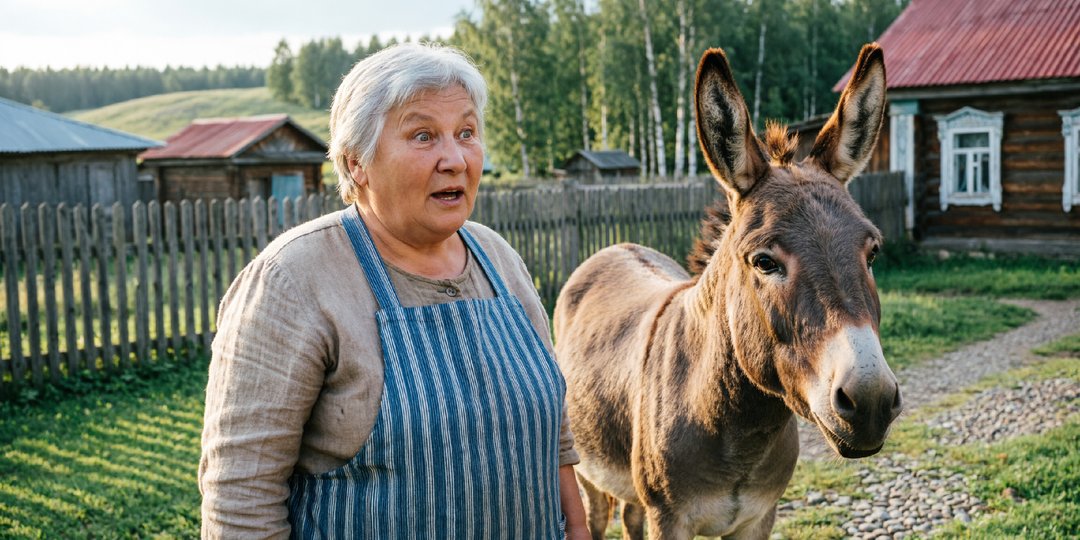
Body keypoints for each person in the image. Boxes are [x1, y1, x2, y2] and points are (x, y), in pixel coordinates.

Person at [199, 42, 589, 539]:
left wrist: (577, 529)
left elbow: (550, 437)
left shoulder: (498, 259)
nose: (455, 159)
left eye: (466, 133)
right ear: (357, 163)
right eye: (424, 135)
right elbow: (241, 498)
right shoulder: (293, 281)